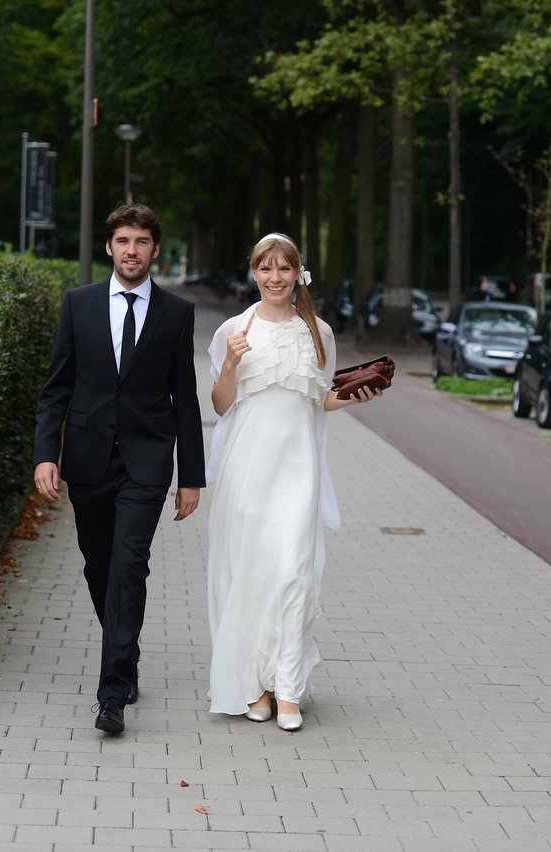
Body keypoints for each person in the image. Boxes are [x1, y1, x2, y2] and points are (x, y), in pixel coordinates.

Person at [33, 202, 205, 735]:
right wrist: (46, 453)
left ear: (155, 249)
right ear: (109, 247)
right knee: (98, 566)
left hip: (147, 460)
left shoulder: (176, 313)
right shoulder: (79, 304)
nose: (132, 251)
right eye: (123, 241)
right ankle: (124, 654)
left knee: (129, 565)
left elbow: (185, 396)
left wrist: (191, 476)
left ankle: (113, 694)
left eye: (142, 242)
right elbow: (56, 387)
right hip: (87, 458)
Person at [204, 232, 380, 732]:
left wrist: (354, 397)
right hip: (247, 467)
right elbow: (220, 404)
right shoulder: (233, 330)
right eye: (265, 268)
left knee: (294, 569)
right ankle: (256, 685)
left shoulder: (317, 332)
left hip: (297, 467)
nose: (274, 278)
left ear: (297, 273)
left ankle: (288, 689)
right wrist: (234, 361)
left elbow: (319, 398)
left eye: (284, 269)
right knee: (251, 572)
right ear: (254, 273)